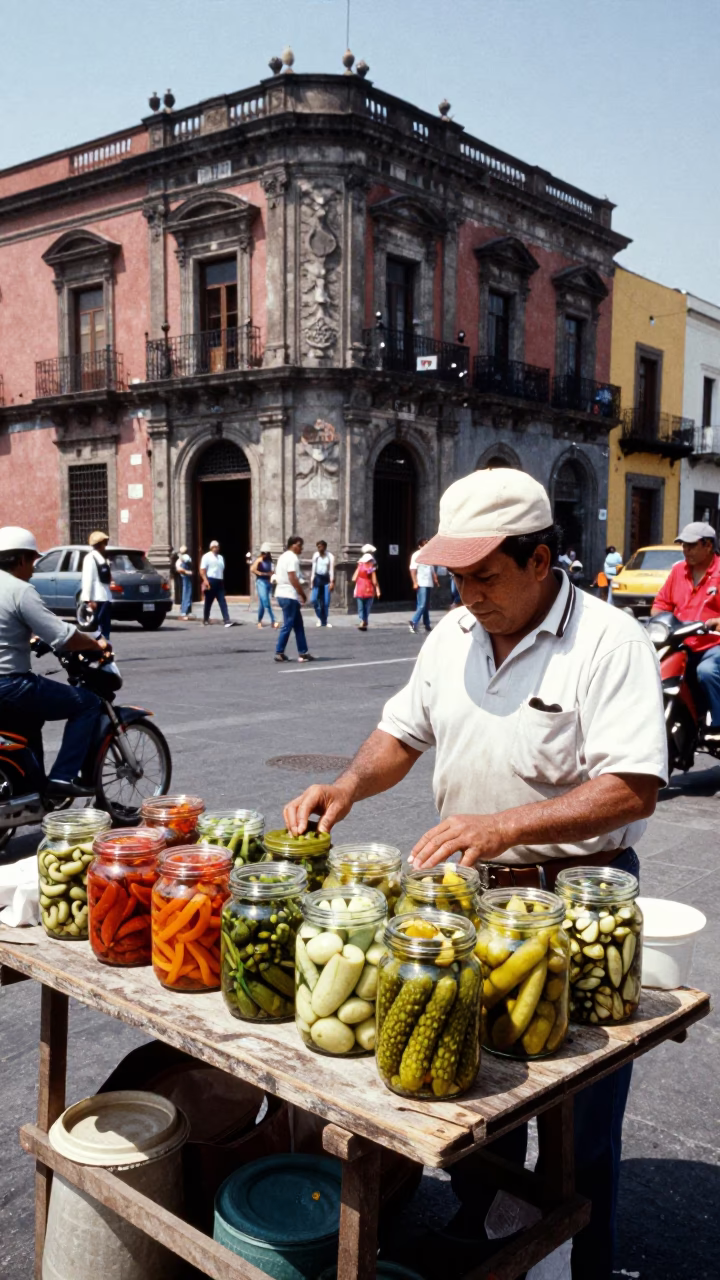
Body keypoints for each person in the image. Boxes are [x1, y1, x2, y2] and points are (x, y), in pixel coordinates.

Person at [284, 468, 666, 1280]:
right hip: (470, 900)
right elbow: (402, 732)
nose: (467, 595)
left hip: (573, 907)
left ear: (540, 561)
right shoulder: (451, 635)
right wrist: (347, 784)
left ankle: (580, 1260)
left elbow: (633, 785)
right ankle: (483, 1222)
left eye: (484, 576)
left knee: (579, 1120)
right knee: (474, 1094)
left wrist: (504, 827)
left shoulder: (608, 642)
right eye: (456, 578)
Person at [0, 526, 109, 796]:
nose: (34, 569)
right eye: (33, 561)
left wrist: (27, 640)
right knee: (87, 703)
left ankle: (31, 788)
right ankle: (62, 779)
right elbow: (63, 636)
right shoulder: (20, 590)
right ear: (21, 559)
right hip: (11, 684)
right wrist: (96, 644)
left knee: (30, 720)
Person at [652, 520, 720, 733]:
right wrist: (659, 620)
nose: (685, 550)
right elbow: (661, 604)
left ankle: (717, 727)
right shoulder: (678, 571)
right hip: (681, 642)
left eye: (691, 545)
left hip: (712, 645)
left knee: (707, 671)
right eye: (683, 545)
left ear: (708, 545)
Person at [274, 536, 314, 663]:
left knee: (298, 625)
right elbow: (292, 577)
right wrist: (302, 593)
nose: (301, 548)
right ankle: (279, 652)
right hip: (289, 594)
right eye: (299, 545)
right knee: (288, 624)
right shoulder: (292, 558)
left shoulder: (283, 556)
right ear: (292, 545)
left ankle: (303, 652)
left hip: (281, 593)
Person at [80, 531, 112, 639]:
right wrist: (88, 600)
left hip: (105, 597)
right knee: (96, 627)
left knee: (105, 627)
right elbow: (87, 579)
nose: (106, 545)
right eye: (105, 543)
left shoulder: (102, 558)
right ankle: (97, 650)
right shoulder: (90, 558)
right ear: (100, 544)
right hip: (96, 598)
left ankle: (105, 648)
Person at [200, 540, 236, 627]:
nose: (217, 548)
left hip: (219, 581)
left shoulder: (220, 557)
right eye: (215, 547)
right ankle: (205, 619)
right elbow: (202, 570)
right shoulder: (206, 556)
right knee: (208, 601)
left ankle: (227, 620)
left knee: (222, 601)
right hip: (211, 580)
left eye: (218, 547)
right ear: (211, 548)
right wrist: (205, 580)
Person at [409, 538, 439, 633]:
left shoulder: (429, 555)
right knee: (422, 604)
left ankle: (427, 624)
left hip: (428, 582)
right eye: (425, 544)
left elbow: (432, 569)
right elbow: (413, 569)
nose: (427, 545)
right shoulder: (416, 555)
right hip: (421, 582)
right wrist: (414, 582)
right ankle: (414, 622)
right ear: (420, 546)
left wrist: (435, 579)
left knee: (426, 605)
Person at [251, 543, 279, 630]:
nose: (265, 554)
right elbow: (252, 569)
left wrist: (273, 575)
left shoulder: (270, 561)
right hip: (261, 582)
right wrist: (261, 573)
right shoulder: (259, 560)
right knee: (266, 601)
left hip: (268, 582)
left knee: (262, 605)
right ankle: (273, 620)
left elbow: (273, 571)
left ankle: (259, 621)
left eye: (267, 553)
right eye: (264, 553)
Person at [352, 544, 380, 631]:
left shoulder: (360, 566)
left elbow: (353, 578)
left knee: (360, 606)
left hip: (360, 587)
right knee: (367, 606)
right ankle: (365, 620)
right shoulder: (371, 568)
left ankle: (362, 621)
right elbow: (374, 580)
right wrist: (378, 590)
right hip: (369, 588)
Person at [311, 540, 335, 629]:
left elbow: (331, 570)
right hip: (317, 578)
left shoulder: (330, 556)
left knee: (326, 602)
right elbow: (313, 569)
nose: (319, 548)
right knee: (314, 599)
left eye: (321, 546)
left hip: (326, 579)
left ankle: (325, 620)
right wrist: (311, 582)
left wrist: (332, 582)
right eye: (318, 547)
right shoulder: (315, 556)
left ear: (325, 547)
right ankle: (320, 617)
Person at [175, 545, 194, 620]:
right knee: (187, 593)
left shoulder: (179, 559)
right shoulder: (185, 557)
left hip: (183, 577)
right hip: (185, 576)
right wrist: (188, 572)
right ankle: (184, 611)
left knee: (186, 592)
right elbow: (180, 569)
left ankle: (187, 610)